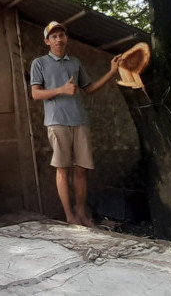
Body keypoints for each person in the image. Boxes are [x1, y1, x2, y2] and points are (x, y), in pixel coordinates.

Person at [30, 21, 120, 227]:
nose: (58, 39)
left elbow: (90, 88)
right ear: (47, 41)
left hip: (80, 121)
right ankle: (69, 217)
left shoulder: (75, 63)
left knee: (81, 169)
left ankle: (81, 213)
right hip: (57, 122)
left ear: (66, 38)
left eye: (61, 35)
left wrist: (112, 72)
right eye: (53, 36)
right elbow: (35, 94)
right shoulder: (39, 63)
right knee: (62, 169)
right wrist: (61, 90)